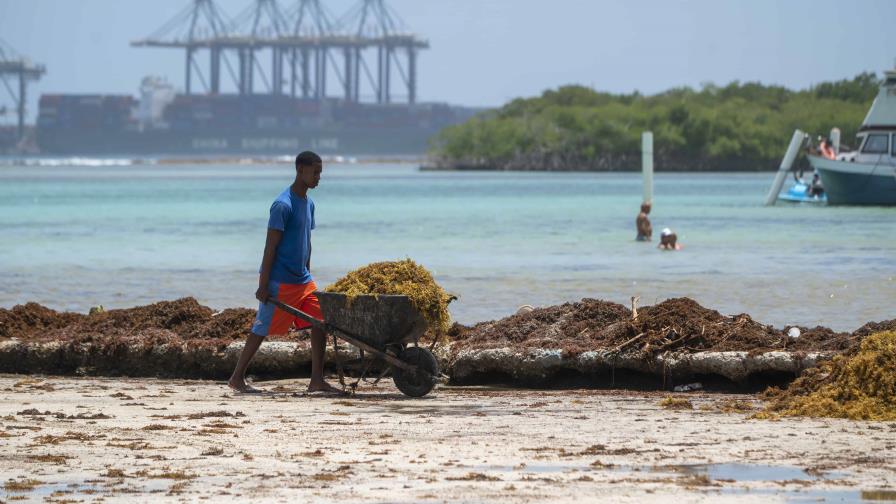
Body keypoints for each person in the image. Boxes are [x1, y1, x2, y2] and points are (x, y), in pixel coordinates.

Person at [228, 151, 342, 395]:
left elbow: (306, 241)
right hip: (279, 281)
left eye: (321, 172)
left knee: (321, 321)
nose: (319, 177)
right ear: (300, 170)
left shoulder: (309, 203)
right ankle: (237, 377)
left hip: (303, 280)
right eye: (315, 172)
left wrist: (308, 273)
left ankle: (316, 381)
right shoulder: (283, 205)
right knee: (261, 329)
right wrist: (263, 284)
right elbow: (271, 247)